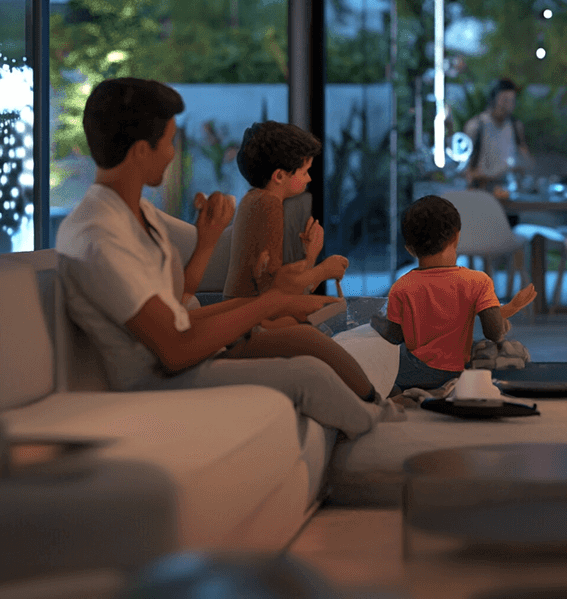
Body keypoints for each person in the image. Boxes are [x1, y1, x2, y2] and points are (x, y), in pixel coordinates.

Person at [55, 78, 401, 438]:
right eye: (169, 142)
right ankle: (381, 433)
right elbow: (174, 349)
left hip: (186, 356)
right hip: (160, 379)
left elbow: (176, 309)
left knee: (307, 346)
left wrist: (210, 244)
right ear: (142, 150)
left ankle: (378, 413)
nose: (173, 154)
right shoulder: (99, 236)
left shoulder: (137, 214)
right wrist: (272, 301)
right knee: (307, 374)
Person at [371, 195, 536, 392]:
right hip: (457, 372)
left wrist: (377, 325)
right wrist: (512, 308)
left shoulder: (401, 286)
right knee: (494, 351)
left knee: (378, 365)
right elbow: (493, 332)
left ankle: (403, 394)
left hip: (414, 374)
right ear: (456, 237)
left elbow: (394, 337)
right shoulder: (477, 281)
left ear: (410, 249)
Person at [224, 120, 347, 300]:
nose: (309, 178)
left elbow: (283, 287)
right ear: (280, 176)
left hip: (244, 306)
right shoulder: (269, 204)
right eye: (304, 172)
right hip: (248, 311)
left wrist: (309, 255)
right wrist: (323, 270)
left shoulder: (253, 199)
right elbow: (274, 291)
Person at [462, 78, 532, 192]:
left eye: (512, 101)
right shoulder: (476, 125)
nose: (508, 105)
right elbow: (464, 167)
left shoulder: (515, 126)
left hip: (508, 188)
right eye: (505, 100)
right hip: (482, 188)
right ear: (493, 99)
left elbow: (525, 159)